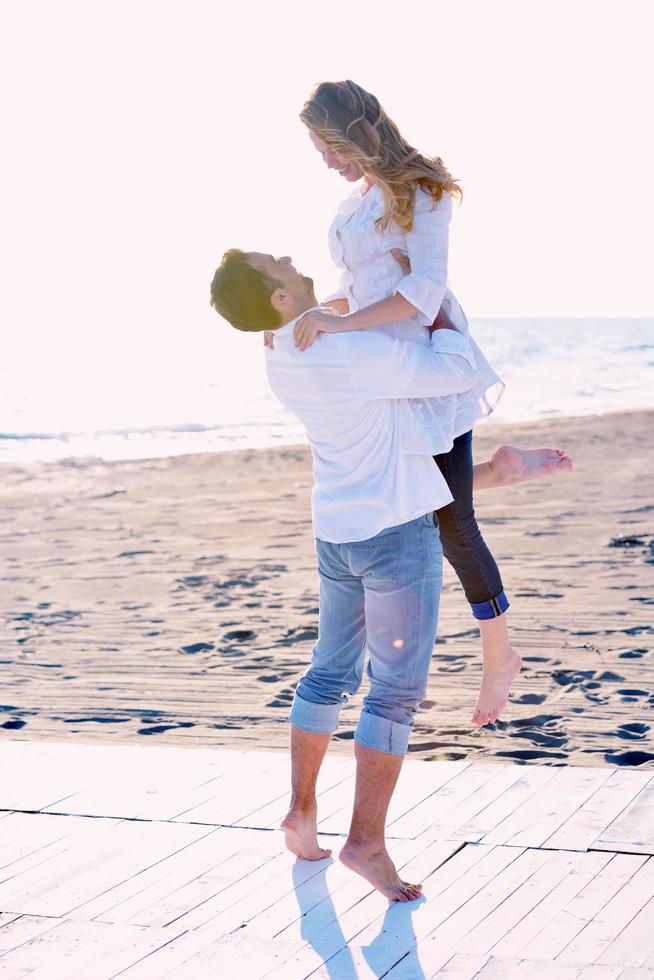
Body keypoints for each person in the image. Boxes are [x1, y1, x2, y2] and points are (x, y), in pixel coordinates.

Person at [209, 248, 568, 901]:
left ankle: (300, 812)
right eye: (276, 263)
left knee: (328, 672)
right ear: (281, 298)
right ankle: (365, 842)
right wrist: (434, 305)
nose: (289, 257)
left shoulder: (278, 350)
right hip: (394, 537)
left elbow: (326, 318)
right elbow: (457, 368)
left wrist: (350, 306)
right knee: (394, 694)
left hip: (336, 531)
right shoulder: (348, 354)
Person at [291, 79, 571, 727]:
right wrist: (314, 313)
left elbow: (423, 294)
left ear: (356, 130)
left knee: (449, 524)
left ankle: (500, 654)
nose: (326, 161)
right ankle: (502, 470)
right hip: (378, 368)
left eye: (328, 146)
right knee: (414, 497)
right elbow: (353, 286)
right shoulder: (357, 201)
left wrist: (340, 326)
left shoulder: (424, 190)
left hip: (423, 366)